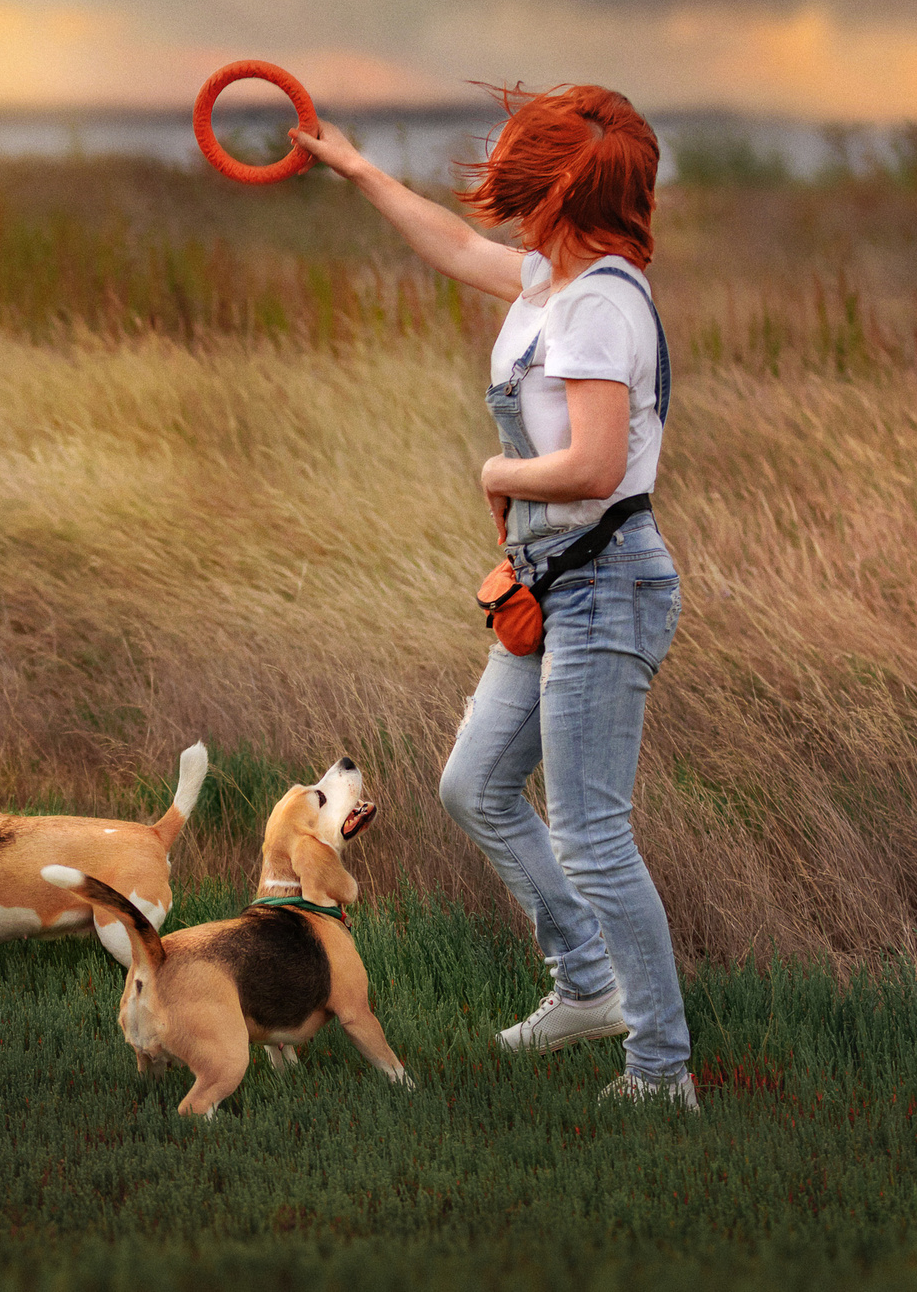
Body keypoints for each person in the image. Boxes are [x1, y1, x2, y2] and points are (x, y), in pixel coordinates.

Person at [289, 85, 695, 1109]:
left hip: (603, 580)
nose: (500, 192)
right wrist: (358, 167)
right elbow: (458, 247)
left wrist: (495, 474)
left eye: (521, 169)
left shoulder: (598, 302)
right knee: (475, 784)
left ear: (559, 184)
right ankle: (587, 985)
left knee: (593, 833)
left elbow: (596, 463)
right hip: (551, 580)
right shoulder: (548, 281)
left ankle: (660, 1069)